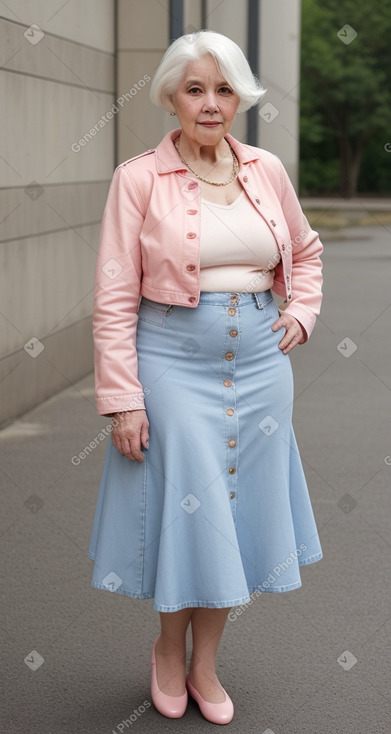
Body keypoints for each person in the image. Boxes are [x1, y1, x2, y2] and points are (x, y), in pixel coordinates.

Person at [88, 30, 323, 725]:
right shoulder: (137, 177)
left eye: (223, 89)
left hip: (259, 365)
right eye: (195, 89)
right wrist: (122, 399)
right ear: (171, 96)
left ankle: (204, 663)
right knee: (190, 509)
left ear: (241, 97)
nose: (211, 103)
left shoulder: (266, 169)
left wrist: (302, 312)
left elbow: (305, 255)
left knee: (238, 511)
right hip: (170, 363)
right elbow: (112, 296)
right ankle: (167, 650)